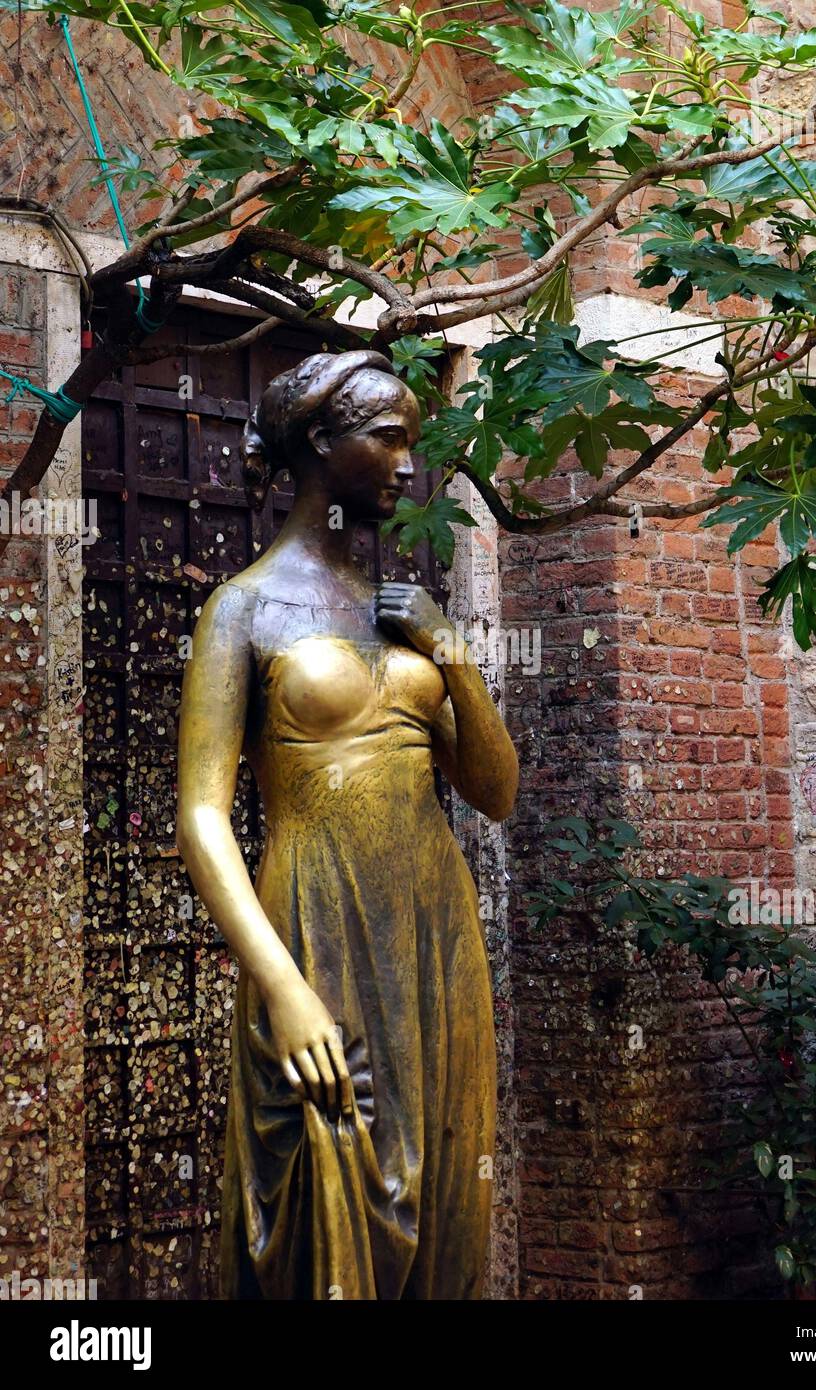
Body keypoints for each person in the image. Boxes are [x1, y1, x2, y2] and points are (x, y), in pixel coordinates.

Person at [175, 350, 518, 1299]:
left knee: (441, 1178)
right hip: (315, 919)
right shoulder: (240, 609)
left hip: (431, 923)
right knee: (326, 1167)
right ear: (322, 444)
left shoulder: (402, 615)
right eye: (389, 438)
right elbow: (201, 816)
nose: (408, 463)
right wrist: (278, 983)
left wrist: (455, 658)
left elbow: (493, 791)